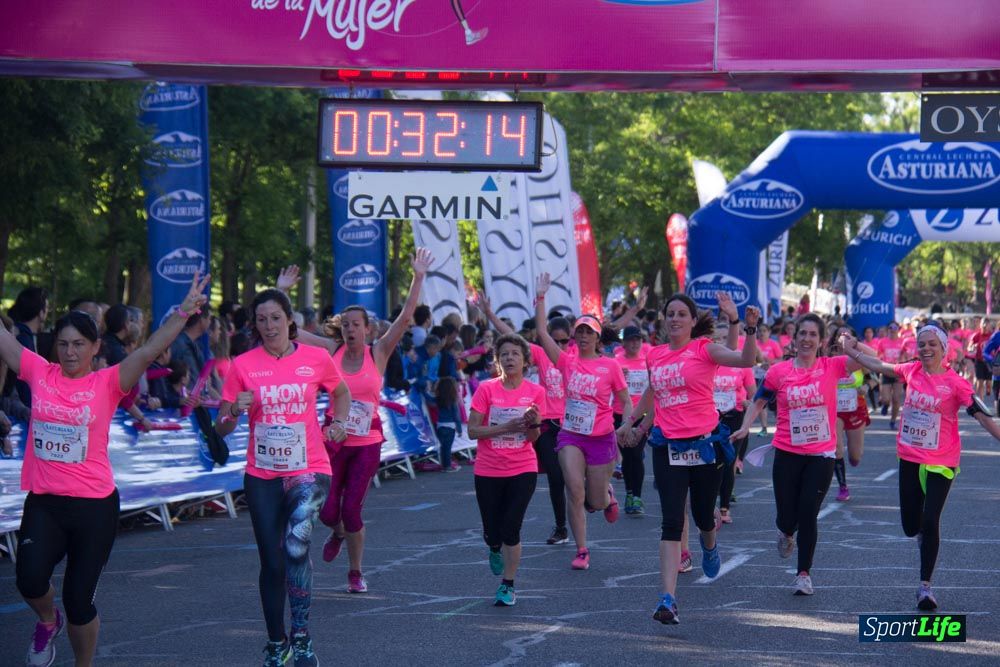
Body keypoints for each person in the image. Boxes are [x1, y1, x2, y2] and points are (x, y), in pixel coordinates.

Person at [13, 274, 209, 667]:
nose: (70, 352)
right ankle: (48, 622)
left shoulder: (108, 382)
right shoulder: (38, 372)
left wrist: (183, 312)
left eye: (79, 345)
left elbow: (153, 346)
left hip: (94, 507)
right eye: (64, 344)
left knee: (79, 600)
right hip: (46, 503)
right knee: (29, 581)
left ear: (95, 347)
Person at [215, 287, 351, 667]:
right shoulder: (242, 365)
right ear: (254, 325)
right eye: (261, 319)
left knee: (295, 548)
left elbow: (341, 393)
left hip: (309, 469)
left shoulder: (316, 358)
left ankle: (302, 637)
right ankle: (277, 642)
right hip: (262, 475)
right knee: (272, 561)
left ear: (290, 320)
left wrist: (337, 422)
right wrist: (232, 412)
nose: (269, 325)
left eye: (276, 318)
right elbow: (221, 427)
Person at [842, 325, 1000, 610]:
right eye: (922, 344)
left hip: (942, 461)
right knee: (910, 526)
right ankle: (920, 539)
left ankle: (925, 586)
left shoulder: (956, 383)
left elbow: (982, 416)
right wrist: (849, 349)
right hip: (910, 457)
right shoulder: (910, 371)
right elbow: (878, 364)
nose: (926, 349)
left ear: (943, 349)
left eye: (931, 344)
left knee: (930, 520)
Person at [630, 293, 759, 624]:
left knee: (702, 517)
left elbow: (746, 360)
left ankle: (710, 544)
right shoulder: (655, 356)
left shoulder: (703, 349)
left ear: (691, 320)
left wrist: (742, 325)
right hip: (668, 447)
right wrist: (634, 424)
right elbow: (654, 394)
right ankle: (668, 598)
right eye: (669, 313)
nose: (674, 319)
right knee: (672, 521)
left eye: (681, 314)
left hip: (703, 446)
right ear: (664, 319)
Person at [315, 249, 433, 595]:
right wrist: (282, 289)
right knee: (326, 511)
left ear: (367, 329)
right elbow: (290, 335)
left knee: (351, 509)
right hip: (333, 441)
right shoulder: (330, 351)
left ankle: (355, 571)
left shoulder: (378, 352)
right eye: (346, 325)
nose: (351, 330)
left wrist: (418, 276)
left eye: (357, 325)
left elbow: (406, 316)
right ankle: (336, 533)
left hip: (366, 443)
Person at [732, 314, 864, 597]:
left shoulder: (833, 365)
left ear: (821, 341)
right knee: (786, 516)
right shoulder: (779, 372)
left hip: (821, 455)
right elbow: (759, 401)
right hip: (787, 452)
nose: (806, 339)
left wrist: (852, 345)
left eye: (812, 334)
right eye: (802, 333)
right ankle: (785, 531)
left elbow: (871, 358)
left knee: (808, 513)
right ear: (795, 338)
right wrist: (745, 427)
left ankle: (804, 573)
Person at [534, 273, 631, 570]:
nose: (584, 335)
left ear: (598, 337)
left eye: (589, 331)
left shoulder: (610, 366)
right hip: (571, 435)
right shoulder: (566, 361)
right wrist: (540, 297)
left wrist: (625, 425)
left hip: (601, 437)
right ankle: (582, 550)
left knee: (597, 502)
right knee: (574, 489)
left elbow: (625, 400)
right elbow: (541, 332)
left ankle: (608, 496)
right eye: (580, 331)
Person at [482, 295, 570, 546]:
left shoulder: (573, 357)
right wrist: (489, 314)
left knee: (582, 486)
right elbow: (513, 338)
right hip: (546, 424)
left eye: (566, 341)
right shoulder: (543, 356)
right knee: (555, 476)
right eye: (557, 341)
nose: (561, 346)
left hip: (573, 427)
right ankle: (561, 527)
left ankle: (602, 493)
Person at [467, 333, 545, 606]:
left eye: (515, 354)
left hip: (523, 467)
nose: (509, 358)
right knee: (493, 531)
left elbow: (535, 439)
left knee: (511, 527)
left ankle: (508, 585)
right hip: (488, 469)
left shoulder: (536, 393)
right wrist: (506, 427)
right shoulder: (486, 390)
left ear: (525, 361)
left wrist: (534, 424)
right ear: (497, 361)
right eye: (504, 355)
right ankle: (493, 546)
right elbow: (473, 430)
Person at [712, 319, 757, 524]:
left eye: (725, 337)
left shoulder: (741, 364)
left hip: (734, 417)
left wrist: (749, 402)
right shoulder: (708, 363)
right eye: (717, 339)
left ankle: (724, 507)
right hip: (710, 419)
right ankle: (709, 502)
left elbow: (754, 395)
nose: (722, 342)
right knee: (713, 462)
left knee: (728, 461)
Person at [826, 326, 875, 502]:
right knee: (836, 448)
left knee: (855, 456)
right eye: (840, 335)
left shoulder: (858, 358)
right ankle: (842, 486)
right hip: (834, 409)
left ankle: (852, 460)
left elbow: (873, 377)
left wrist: (866, 387)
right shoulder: (828, 358)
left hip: (856, 407)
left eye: (847, 335)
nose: (843, 338)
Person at [614, 326, 650, 515]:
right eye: (631, 340)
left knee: (635, 453)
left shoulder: (647, 361)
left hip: (642, 414)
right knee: (628, 456)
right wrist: (620, 377)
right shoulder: (617, 363)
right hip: (619, 414)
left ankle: (636, 496)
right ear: (624, 343)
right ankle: (629, 491)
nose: (635, 343)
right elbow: (609, 388)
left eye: (638, 339)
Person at [876, 322, 905, 429]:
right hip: (886, 371)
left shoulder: (903, 342)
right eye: (890, 328)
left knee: (897, 399)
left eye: (895, 328)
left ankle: (893, 421)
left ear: (898, 329)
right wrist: (880, 361)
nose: (892, 330)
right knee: (886, 398)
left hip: (898, 372)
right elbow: (878, 356)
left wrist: (903, 360)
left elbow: (906, 355)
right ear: (888, 329)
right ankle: (885, 404)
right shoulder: (882, 342)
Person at [432, 376, 462, 472]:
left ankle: (444, 465)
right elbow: (456, 416)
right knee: (448, 447)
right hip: (450, 426)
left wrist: (422, 391)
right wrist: (459, 429)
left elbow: (428, 398)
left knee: (442, 447)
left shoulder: (438, 399)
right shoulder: (453, 400)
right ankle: (448, 466)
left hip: (440, 425)